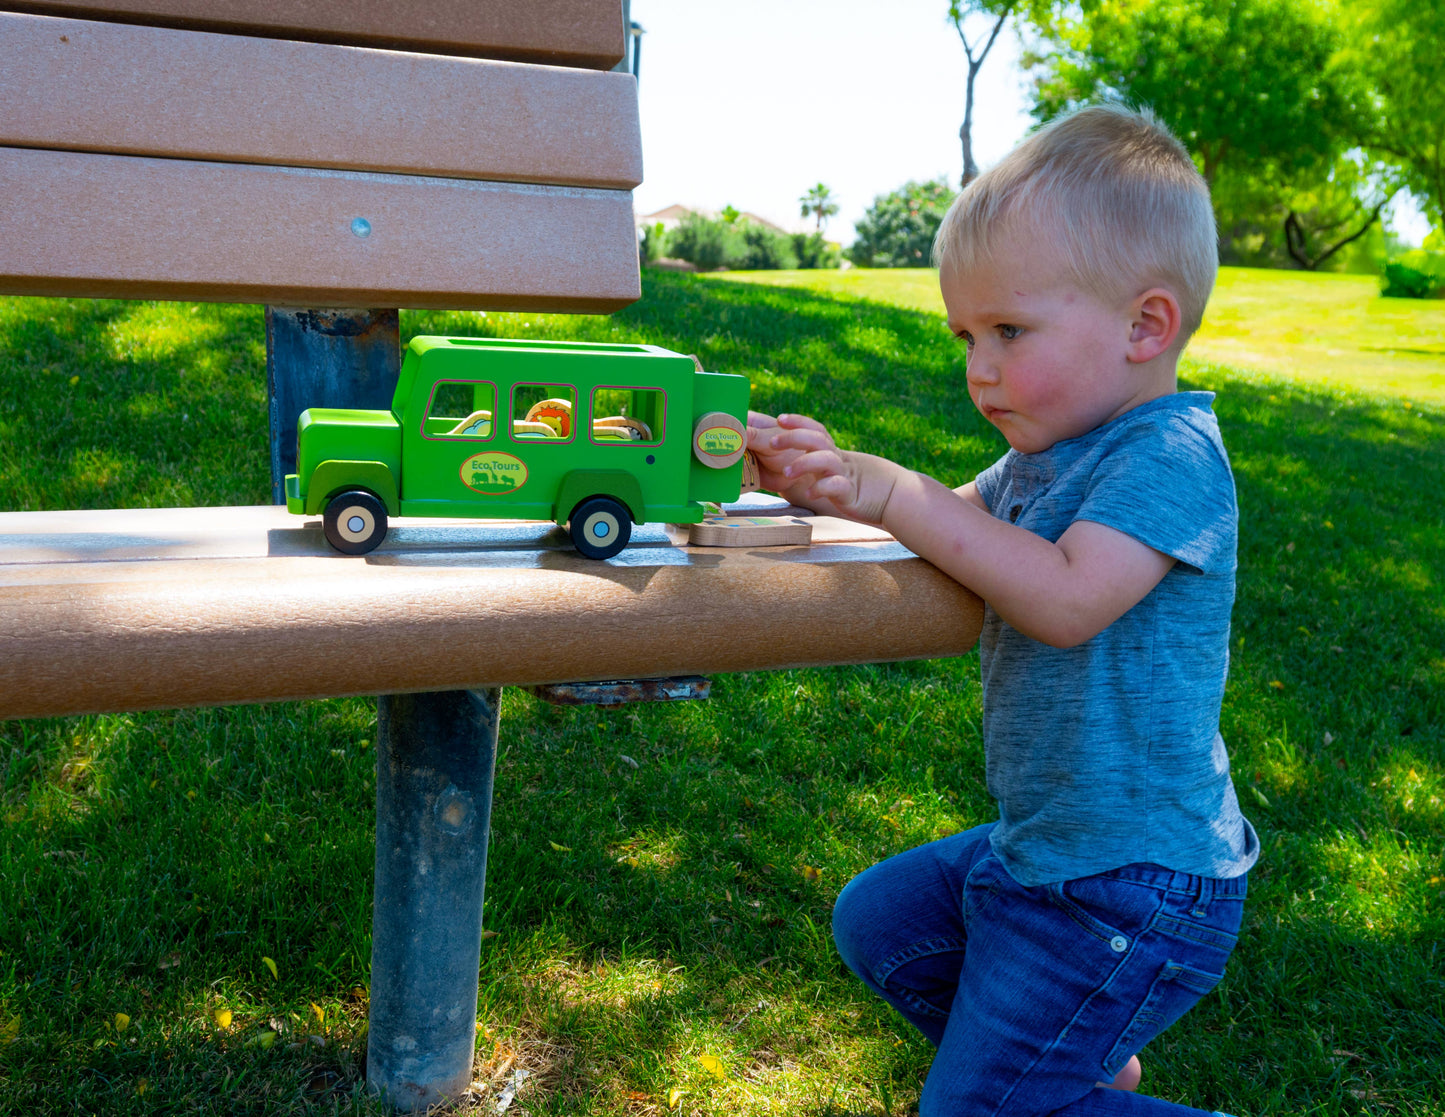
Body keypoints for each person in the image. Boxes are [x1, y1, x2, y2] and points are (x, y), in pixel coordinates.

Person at [746, 103, 1259, 1116]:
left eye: (1008, 330)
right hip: (1050, 847)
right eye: (965, 335)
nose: (978, 367)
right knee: (879, 923)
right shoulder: (1043, 453)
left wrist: (896, 488)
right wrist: (824, 483)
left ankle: (1054, 1066)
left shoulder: (1170, 458)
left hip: (1132, 881)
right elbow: (951, 531)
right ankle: (1075, 1060)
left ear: (1143, 325)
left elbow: (1062, 597)